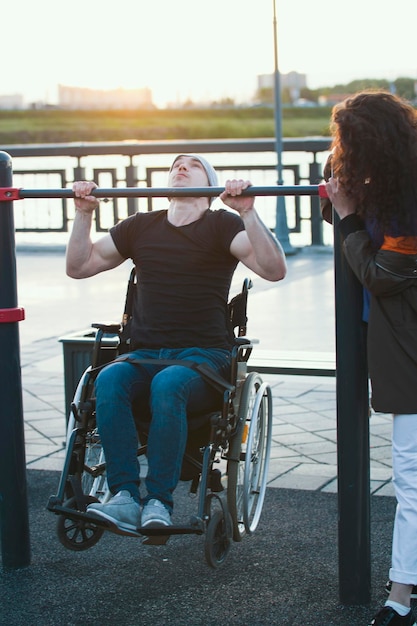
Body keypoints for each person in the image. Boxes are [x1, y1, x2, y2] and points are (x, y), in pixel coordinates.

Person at [67, 153, 286, 541]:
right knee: (111, 377)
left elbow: (273, 269)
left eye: (193, 165)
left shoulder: (222, 224)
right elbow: (79, 266)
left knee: (169, 384)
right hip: (145, 352)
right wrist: (84, 213)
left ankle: (159, 503)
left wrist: (249, 213)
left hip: (204, 357)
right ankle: (124, 497)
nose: (181, 167)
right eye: (176, 165)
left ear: (210, 186)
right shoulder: (140, 226)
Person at [324, 91, 417, 626]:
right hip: (390, 343)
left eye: (350, 144)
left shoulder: (407, 199)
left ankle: (400, 596)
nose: (344, 154)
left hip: (406, 348)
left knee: (408, 475)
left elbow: (383, 277)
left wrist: (350, 219)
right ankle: (403, 592)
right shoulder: (375, 184)